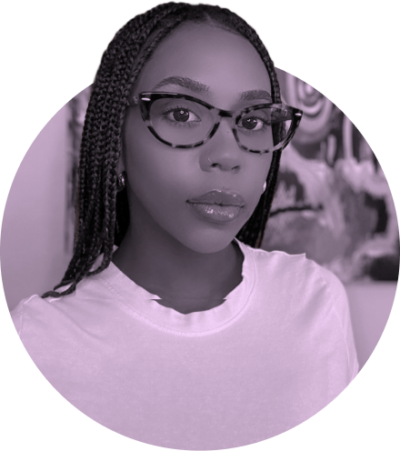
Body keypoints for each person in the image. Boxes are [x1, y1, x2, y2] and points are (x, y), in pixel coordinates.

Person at [9, 2, 359, 449]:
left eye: (253, 121)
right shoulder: (41, 340)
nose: (227, 155)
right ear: (116, 141)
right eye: (182, 114)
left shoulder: (316, 301)